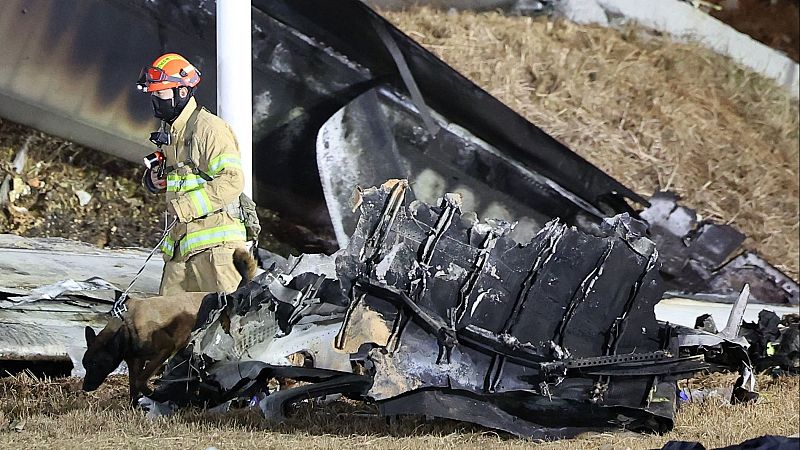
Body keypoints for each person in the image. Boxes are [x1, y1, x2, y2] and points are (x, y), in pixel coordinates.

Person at [137, 52, 248, 295]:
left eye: (161, 93)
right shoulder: (172, 131)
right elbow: (184, 177)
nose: (156, 99)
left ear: (182, 92)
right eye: (154, 93)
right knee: (169, 326)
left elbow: (232, 180)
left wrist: (186, 206)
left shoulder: (209, 129)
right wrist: (157, 181)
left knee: (227, 321)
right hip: (182, 247)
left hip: (215, 248)